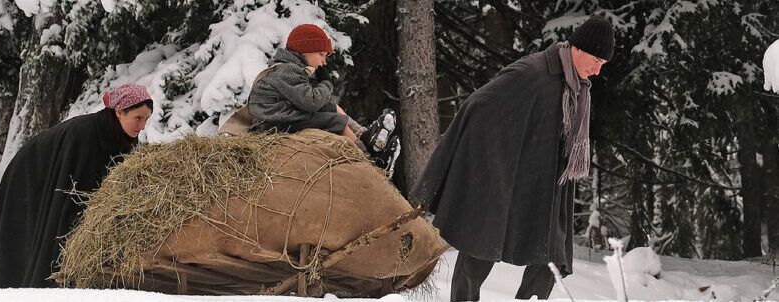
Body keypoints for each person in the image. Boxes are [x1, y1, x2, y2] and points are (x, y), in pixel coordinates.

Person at [409, 16, 614, 301]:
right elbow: (477, 106)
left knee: (551, 258)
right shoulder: (532, 73)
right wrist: (495, 159)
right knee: (481, 244)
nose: (597, 70)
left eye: (603, 64)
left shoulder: (576, 87)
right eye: (596, 60)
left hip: (545, 188)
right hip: (507, 178)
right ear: (578, 48)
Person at [0, 84, 154, 288]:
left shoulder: (124, 138)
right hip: (29, 174)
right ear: (119, 112)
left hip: (52, 174)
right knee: (43, 231)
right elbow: (71, 195)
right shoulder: (87, 135)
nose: (142, 126)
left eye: (146, 120)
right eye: (138, 118)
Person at [245, 23, 399, 171]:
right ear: (306, 51)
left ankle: (364, 135)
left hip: (282, 117)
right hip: (274, 125)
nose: (323, 61)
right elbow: (311, 102)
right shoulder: (286, 71)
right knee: (336, 121)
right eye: (321, 55)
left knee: (329, 106)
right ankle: (370, 162)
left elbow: (315, 101)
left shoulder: (288, 68)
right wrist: (326, 82)